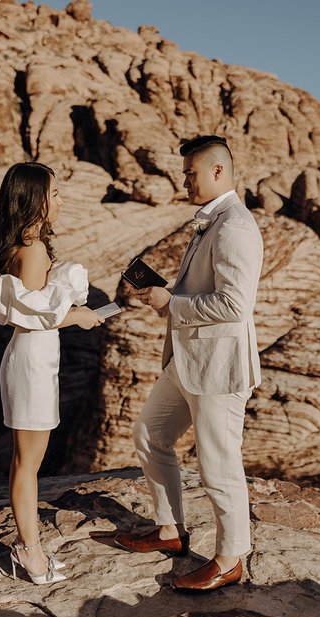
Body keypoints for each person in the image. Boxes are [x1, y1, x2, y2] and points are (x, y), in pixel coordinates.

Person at [115, 135, 264, 592]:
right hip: (188, 360)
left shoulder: (235, 225)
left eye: (189, 173)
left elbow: (234, 305)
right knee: (150, 433)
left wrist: (171, 303)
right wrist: (165, 301)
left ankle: (231, 557)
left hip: (217, 368)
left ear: (218, 171)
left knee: (218, 464)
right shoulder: (211, 222)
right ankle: (169, 530)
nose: (184, 181)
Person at [0, 162, 104, 585]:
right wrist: (81, 317)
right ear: (34, 199)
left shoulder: (27, 244)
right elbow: (33, 317)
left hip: (34, 360)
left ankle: (29, 545)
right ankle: (30, 553)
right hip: (32, 361)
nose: (60, 200)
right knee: (27, 463)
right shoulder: (32, 250)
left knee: (28, 460)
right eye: (54, 193)